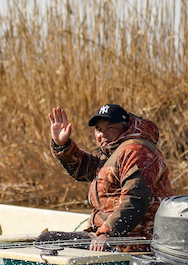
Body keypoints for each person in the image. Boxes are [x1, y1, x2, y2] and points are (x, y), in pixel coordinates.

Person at [43, 103, 172, 252]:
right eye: (99, 129)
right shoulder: (114, 151)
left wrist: (106, 233)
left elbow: (135, 199)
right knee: (49, 240)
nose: (102, 133)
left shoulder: (137, 152)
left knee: (48, 240)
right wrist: (62, 145)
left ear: (125, 127)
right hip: (111, 235)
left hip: (131, 240)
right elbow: (85, 169)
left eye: (110, 128)